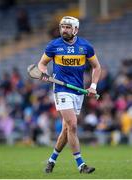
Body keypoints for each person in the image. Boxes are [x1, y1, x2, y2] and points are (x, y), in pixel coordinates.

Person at [38, 16, 101, 174]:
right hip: (61, 89)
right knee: (72, 125)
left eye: (67, 27)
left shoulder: (85, 46)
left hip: (78, 90)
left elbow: (97, 67)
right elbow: (42, 64)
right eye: (62, 27)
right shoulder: (54, 45)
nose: (64, 30)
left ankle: (51, 160)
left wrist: (93, 86)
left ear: (75, 29)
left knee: (67, 129)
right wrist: (44, 73)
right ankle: (81, 165)